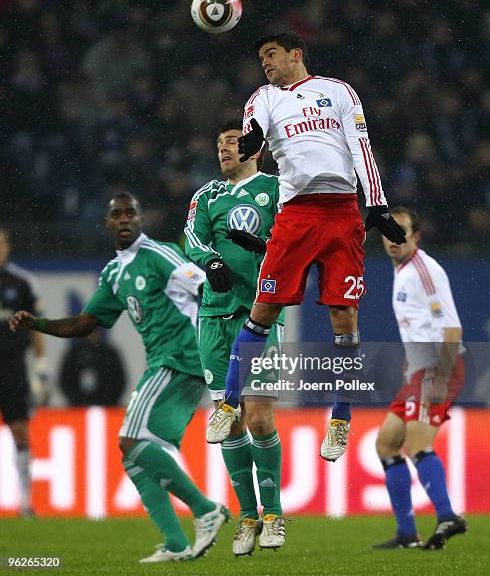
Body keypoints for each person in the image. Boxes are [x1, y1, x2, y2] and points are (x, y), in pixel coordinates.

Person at [206, 32, 406, 462]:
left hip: (340, 213)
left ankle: (340, 420)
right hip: (295, 213)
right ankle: (226, 404)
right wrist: (254, 142)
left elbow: (360, 147)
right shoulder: (262, 97)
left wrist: (378, 204)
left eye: (271, 54)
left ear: (295, 54)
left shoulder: (338, 92)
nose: (265, 63)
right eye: (261, 57)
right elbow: (255, 133)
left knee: (344, 317)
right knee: (264, 310)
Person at [10, 193, 229, 563]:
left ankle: (205, 509)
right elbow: (85, 323)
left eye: (131, 213)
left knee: (129, 439)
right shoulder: (114, 272)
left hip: (181, 357)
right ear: (108, 223)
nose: (124, 218)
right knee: (133, 457)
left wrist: (217, 340)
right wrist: (39, 324)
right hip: (170, 363)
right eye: (117, 214)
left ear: (141, 219)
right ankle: (176, 544)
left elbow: (206, 285)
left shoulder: (158, 255)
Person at [185, 120, 285, 554]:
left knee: (260, 417)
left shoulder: (278, 190)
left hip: (259, 313)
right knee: (230, 423)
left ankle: (274, 515)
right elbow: (192, 238)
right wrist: (210, 263)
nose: (223, 149)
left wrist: (264, 249)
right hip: (213, 316)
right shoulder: (207, 196)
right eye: (218, 143)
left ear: (253, 148)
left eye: (231, 142)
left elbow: (293, 240)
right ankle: (247, 516)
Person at [374, 207, 467, 550]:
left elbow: (452, 327)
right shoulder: (403, 270)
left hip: (437, 369)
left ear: (416, 236)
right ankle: (406, 534)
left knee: (416, 444)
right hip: (418, 370)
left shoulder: (425, 271)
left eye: (402, 233)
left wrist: (439, 377)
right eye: (389, 233)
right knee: (386, 443)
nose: (394, 240)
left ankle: (448, 516)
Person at [0, 227, 50, 516]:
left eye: (2, 243)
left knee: (20, 429)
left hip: (12, 364)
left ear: (8, 247)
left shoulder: (21, 282)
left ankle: (26, 501)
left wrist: (40, 369)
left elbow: (36, 327)